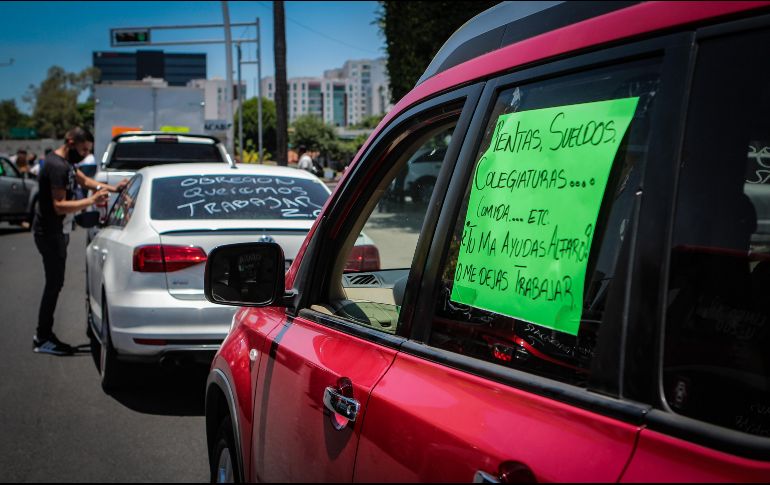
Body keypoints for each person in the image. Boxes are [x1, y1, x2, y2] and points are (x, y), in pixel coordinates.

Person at [32, 127, 128, 355]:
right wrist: (92, 200)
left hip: (57, 232)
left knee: (55, 283)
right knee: (53, 285)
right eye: (83, 149)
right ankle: (43, 337)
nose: (85, 154)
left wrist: (113, 189)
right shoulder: (56, 166)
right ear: (70, 141)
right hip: (49, 232)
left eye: (88, 151)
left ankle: (43, 334)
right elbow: (59, 205)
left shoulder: (65, 164)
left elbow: (83, 180)